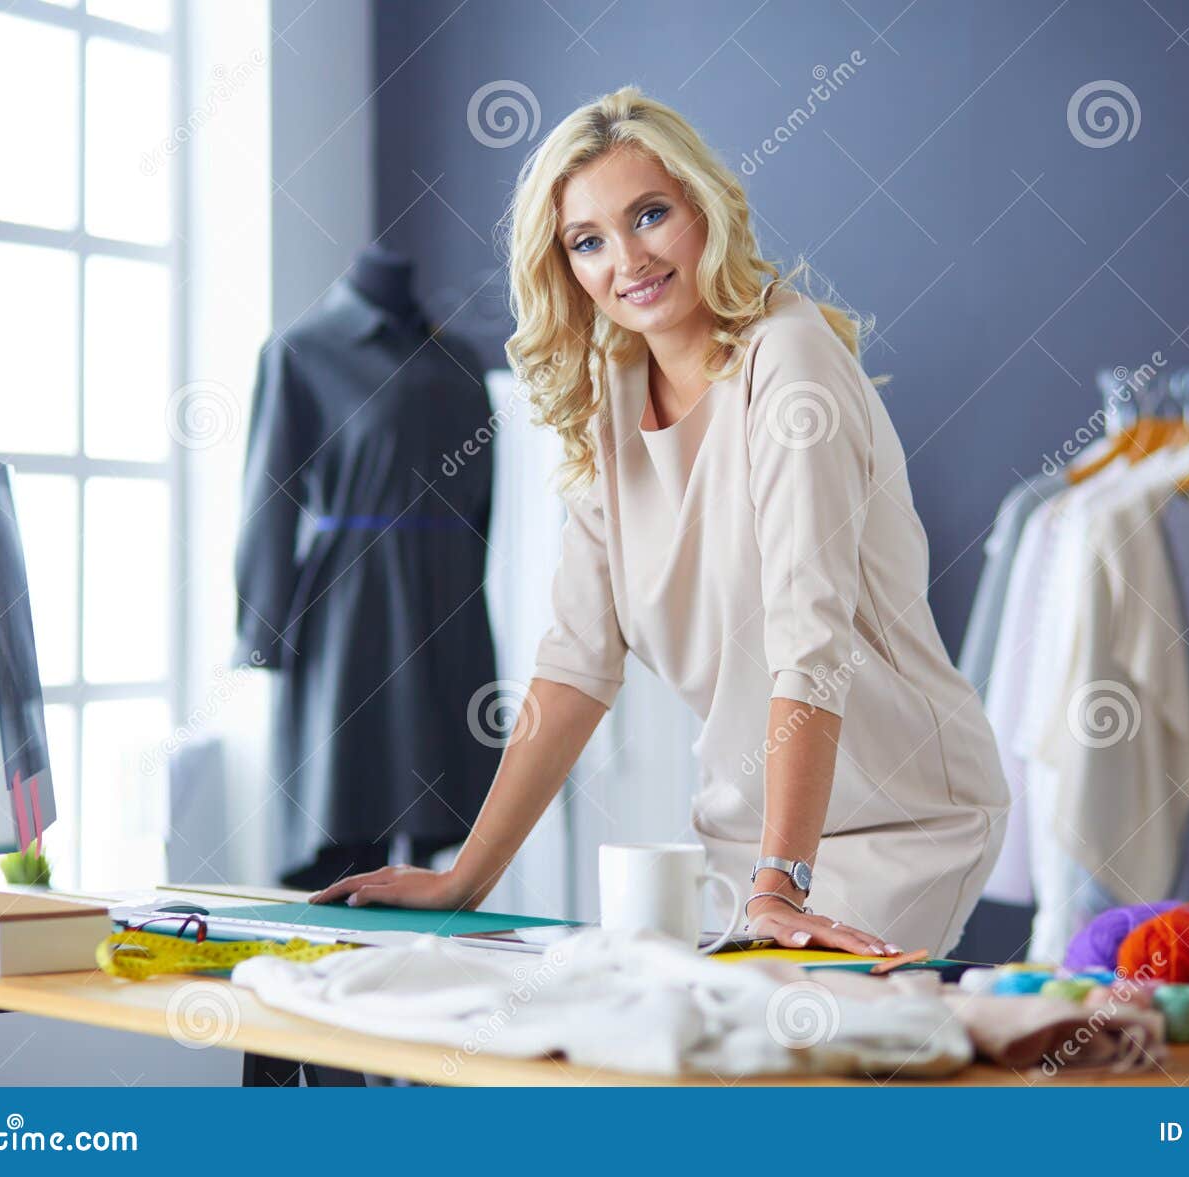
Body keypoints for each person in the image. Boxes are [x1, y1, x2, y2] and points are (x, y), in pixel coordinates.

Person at [311, 86, 1009, 957]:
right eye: (588, 240)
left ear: (704, 209)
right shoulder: (612, 393)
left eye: (650, 214)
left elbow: (811, 641)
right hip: (746, 836)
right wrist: (467, 879)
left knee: (803, 1070)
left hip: (896, 821)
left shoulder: (787, 367)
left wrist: (780, 884)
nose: (627, 259)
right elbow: (575, 663)